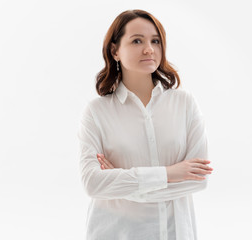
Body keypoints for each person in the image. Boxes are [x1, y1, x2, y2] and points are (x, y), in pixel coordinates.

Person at [77, 9, 213, 240]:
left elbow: (198, 180)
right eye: (137, 40)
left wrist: (124, 183)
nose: (149, 49)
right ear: (115, 50)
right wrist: (169, 174)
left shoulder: (185, 103)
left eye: (155, 41)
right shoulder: (97, 112)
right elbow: (93, 184)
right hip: (116, 233)